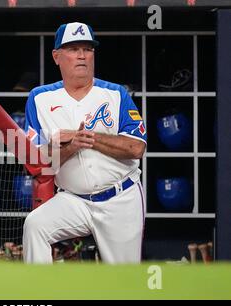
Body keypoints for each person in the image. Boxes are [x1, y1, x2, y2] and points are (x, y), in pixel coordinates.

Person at [22, 22, 147, 264]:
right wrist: (67, 146)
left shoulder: (115, 94)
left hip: (119, 197)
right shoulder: (39, 98)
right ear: (56, 57)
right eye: (73, 48)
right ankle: (39, 295)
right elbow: (35, 162)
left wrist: (90, 138)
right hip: (73, 199)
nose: (81, 55)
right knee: (35, 225)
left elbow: (136, 148)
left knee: (124, 283)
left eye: (87, 49)